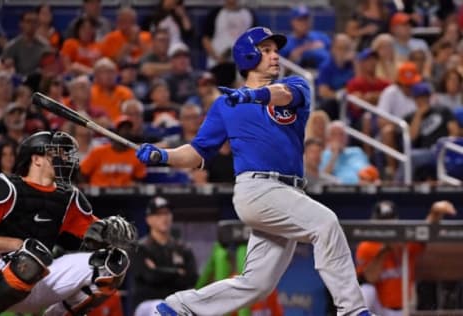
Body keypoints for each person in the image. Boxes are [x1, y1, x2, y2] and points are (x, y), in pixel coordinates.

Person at [136, 26, 372, 316]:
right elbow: (197, 153)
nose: (275, 57)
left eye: (276, 50)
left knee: (257, 284)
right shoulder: (225, 105)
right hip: (258, 189)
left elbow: (283, 95)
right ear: (248, 56)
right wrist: (163, 155)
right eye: (267, 51)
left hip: (289, 192)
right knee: (325, 224)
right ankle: (353, 311)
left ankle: (176, 308)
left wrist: (253, 96)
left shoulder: (296, 84)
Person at [0, 130, 136, 315]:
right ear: (36, 159)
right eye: (56, 154)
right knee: (31, 257)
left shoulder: (68, 197)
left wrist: (109, 232)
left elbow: (93, 234)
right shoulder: (7, 187)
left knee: (113, 263)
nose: (64, 159)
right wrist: (18, 245)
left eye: (65, 154)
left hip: (38, 277)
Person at [356, 199, 457, 315]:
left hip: (401, 309)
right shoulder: (366, 246)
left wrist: (435, 212)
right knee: (367, 290)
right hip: (376, 309)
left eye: (390, 222)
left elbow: (425, 231)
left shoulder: (405, 242)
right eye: (383, 222)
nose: (387, 227)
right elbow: (369, 279)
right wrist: (385, 249)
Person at [131, 196, 198, 316]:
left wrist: (158, 270)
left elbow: (191, 278)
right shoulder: (140, 248)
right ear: (149, 219)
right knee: (163, 311)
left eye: (167, 213)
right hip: (147, 305)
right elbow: (149, 276)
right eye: (158, 214)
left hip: (177, 303)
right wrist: (177, 272)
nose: (164, 218)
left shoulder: (183, 248)